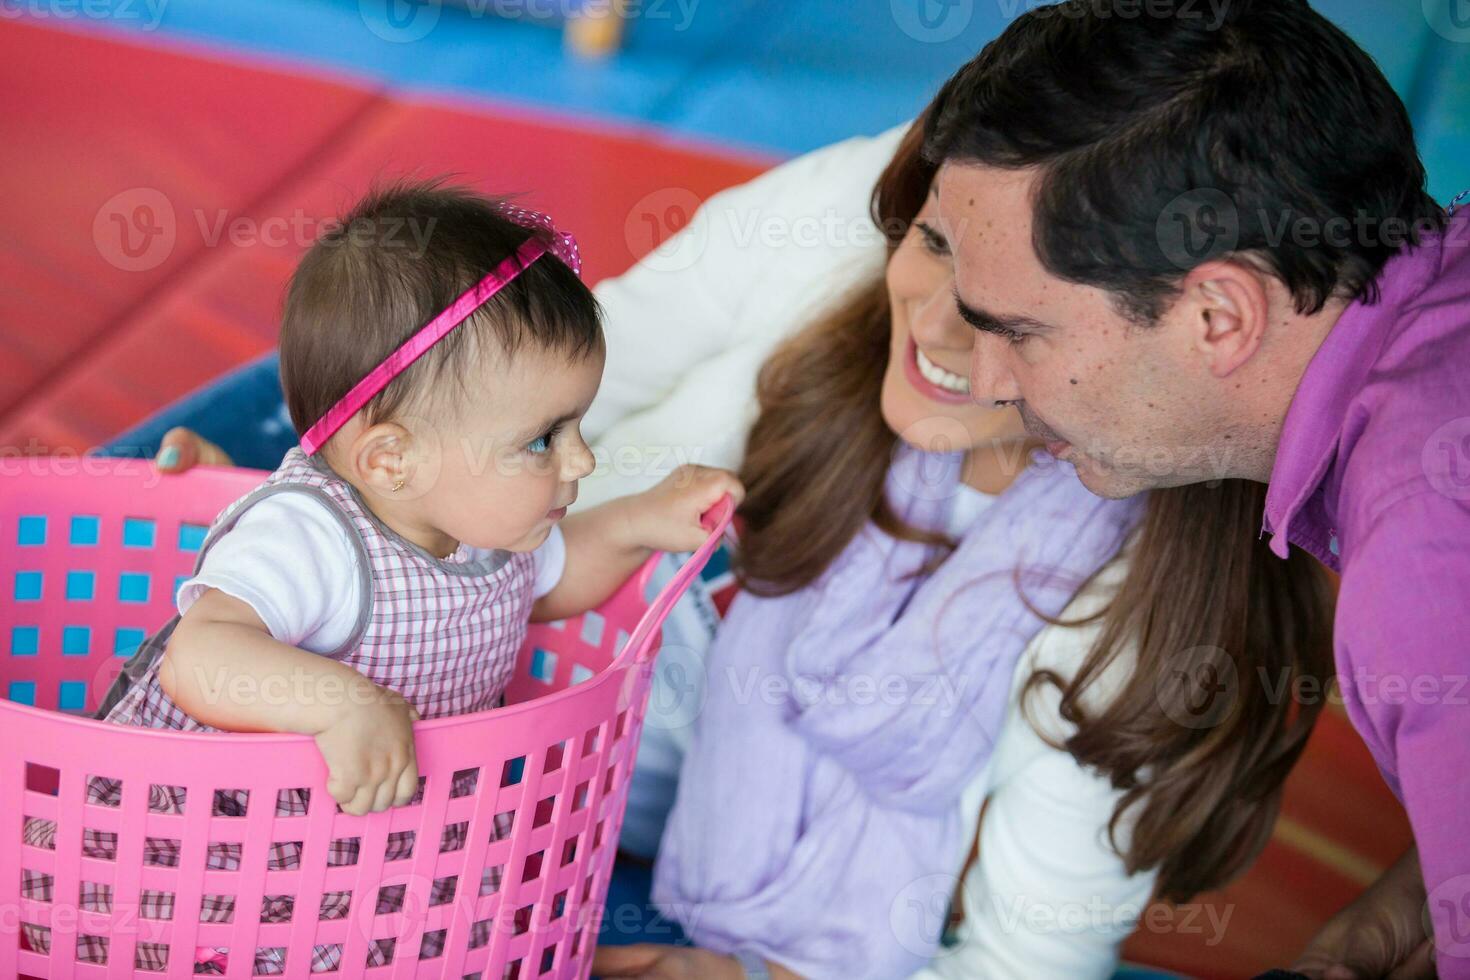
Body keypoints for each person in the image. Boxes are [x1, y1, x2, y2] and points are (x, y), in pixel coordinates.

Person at [591, 112, 1331, 979]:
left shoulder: (1127, 622)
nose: (942, 325)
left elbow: (1024, 961)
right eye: (935, 243)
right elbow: (521, 404)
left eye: (1014, 310)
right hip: (555, 804)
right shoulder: (828, 302)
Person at [24, 181, 741, 975]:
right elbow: (201, 656)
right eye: (544, 439)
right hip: (198, 855)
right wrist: (342, 702)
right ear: (391, 459)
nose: (582, 460)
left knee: (454, 916)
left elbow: (561, 577)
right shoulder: (314, 535)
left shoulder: (486, 531)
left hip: (355, 856)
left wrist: (641, 520)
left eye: (578, 425)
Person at [923, 1, 1470, 976]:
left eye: (1023, 330)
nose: (993, 380)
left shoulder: (1425, 570)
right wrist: (1422, 899)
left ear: (1219, 315)